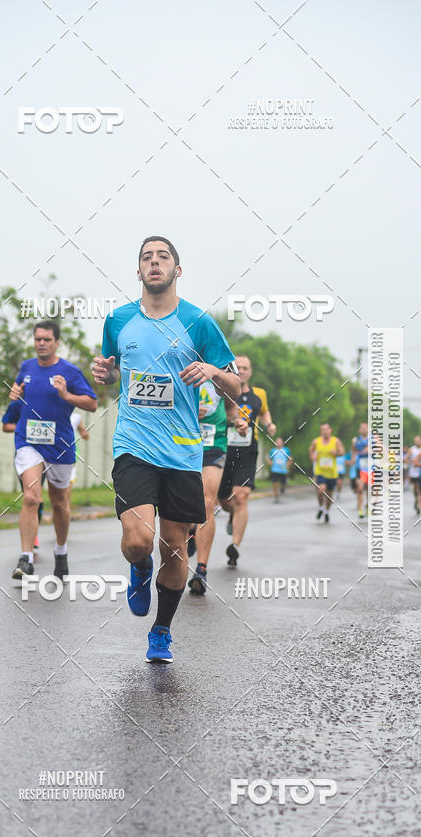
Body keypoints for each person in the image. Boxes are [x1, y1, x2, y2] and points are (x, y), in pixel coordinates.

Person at [92, 236, 239, 663]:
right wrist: (103, 372)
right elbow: (109, 368)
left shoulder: (198, 322)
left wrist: (212, 369)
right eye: (146, 258)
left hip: (182, 452)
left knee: (174, 549)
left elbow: (236, 385)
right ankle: (138, 568)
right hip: (134, 445)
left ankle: (161, 630)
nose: (154, 263)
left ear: (178, 270)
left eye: (163, 257)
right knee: (139, 540)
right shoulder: (118, 321)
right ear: (138, 271)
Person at [8, 320, 97, 579]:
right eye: (38, 339)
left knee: (59, 503)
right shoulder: (26, 368)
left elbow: (91, 404)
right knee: (31, 497)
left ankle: (61, 551)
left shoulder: (68, 371)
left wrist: (66, 395)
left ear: (57, 342)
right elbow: (18, 394)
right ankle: (25, 559)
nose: (42, 344)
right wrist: (14, 393)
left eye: (47, 339)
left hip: (59, 447)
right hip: (29, 442)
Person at [187, 380, 247, 595]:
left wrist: (238, 421)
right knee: (183, 501)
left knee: (206, 502)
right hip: (180, 441)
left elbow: (231, 407)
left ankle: (201, 570)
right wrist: (190, 411)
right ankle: (192, 530)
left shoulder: (220, 367)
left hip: (213, 443)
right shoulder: (177, 359)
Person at [217, 355, 277, 567]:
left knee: (241, 497)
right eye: (237, 367)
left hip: (247, 452)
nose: (241, 371)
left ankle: (235, 546)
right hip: (223, 451)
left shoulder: (259, 393)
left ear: (250, 371)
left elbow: (264, 411)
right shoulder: (222, 390)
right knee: (223, 500)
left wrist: (269, 424)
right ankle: (233, 515)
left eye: (245, 368)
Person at [2, 399, 45, 550]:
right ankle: (32, 536)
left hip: (47, 454)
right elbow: (6, 426)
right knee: (30, 496)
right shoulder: (19, 402)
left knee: (38, 497)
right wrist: (23, 427)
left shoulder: (48, 399)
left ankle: (34, 531)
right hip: (25, 454)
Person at [309, 423, 344, 524]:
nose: (324, 431)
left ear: (330, 430)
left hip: (332, 473)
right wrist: (313, 457)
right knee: (321, 490)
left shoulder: (336, 441)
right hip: (320, 471)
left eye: (326, 429)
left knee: (329, 494)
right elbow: (311, 451)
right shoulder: (316, 441)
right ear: (321, 431)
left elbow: (342, 452)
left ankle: (327, 511)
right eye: (322, 430)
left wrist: (336, 453)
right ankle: (321, 507)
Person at [351, 423, 370, 518]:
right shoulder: (356, 439)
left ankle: (368, 506)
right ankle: (360, 509)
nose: (363, 430)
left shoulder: (373, 439)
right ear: (359, 430)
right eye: (361, 428)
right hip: (360, 467)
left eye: (365, 428)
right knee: (360, 489)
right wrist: (353, 459)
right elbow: (354, 450)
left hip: (371, 468)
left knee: (369, 490)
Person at [69, 408, 90, 486]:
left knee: (68, 480)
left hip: (70, 451)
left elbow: (83, 433)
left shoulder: (76, 417)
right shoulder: (53, 413)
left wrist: (85, 434)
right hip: (53, 450)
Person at [269, 437, 292, 503]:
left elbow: (290, 459)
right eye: (277, 442)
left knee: (283, 483)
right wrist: (271, 464)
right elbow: (269, 459)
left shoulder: (286, 450)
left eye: (280, 442)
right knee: (275, 484)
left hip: (283, 470)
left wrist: (287, 465)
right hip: (275, 470)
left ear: (282, 443)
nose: (278, 443)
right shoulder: (273, 451)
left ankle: (282, 488)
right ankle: (276, 497)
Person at [405, 436, 421, 516]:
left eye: (418, 441)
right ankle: (416, 500)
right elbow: (405, 459)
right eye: (415, 441)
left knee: (420, 489)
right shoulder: (411, 449)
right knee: (415, 489)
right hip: (413, 472)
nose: (416, 442)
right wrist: (411, 461)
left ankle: (419, 504)